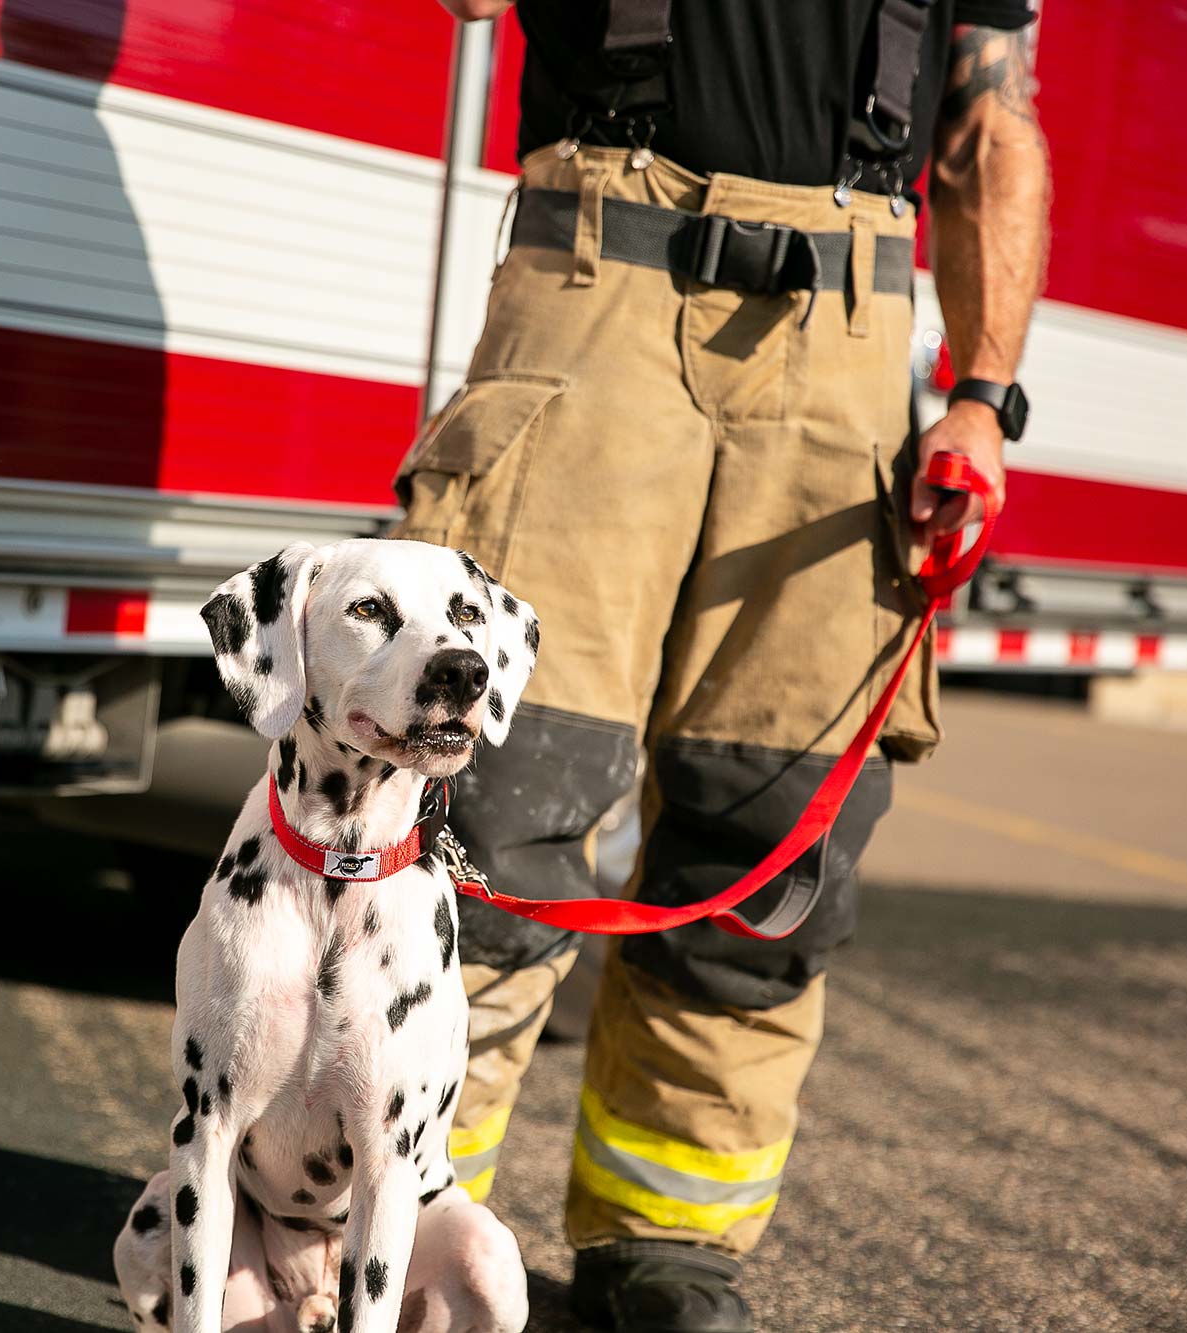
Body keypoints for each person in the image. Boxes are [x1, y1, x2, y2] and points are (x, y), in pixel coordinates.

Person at [396, 1, 1050, 1329]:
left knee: (770, 841)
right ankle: (400, 1227)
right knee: (497, 798)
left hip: (850, 343)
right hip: (598, 293)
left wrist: (982, 397)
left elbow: (988, 121)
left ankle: (667, 1244)